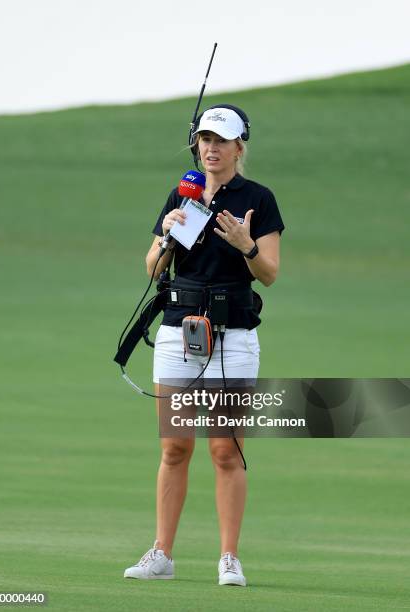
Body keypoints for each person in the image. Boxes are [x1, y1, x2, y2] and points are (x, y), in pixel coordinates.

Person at [123, 105, 285, 586]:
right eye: (205, 140)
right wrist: (168, 236)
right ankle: (161, 554)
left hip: (233, 337)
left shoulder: (257, 198)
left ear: (240, 147)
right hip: (179, 334)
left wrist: (245, 243)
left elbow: (270, 273)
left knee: (225, 450)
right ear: (197, 144)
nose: (211, 149)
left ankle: (229, 557)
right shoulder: (183, 194)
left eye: (222, 141)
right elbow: (153, 268)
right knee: (175, 447)